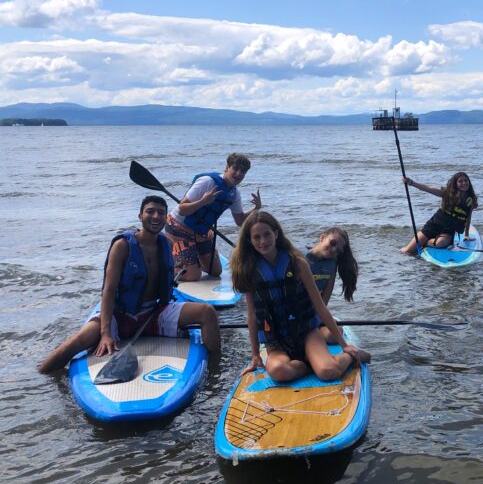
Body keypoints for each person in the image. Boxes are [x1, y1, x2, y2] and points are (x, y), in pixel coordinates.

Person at [39, 195, 220, 374]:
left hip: (153, 312)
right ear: (140, 216)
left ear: (166, 218)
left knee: (207, 313)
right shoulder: (122, 246)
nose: (156, 216)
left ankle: (214, 370)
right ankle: (42, 376)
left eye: (161, 213)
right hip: (119, 315)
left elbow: (170, 271)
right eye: (150, 211)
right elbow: (108, 291)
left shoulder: (166, 243)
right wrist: (105, 333)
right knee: (76, 342)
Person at [231, 211, 370, 383]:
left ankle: (352, 356)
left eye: (267, 234)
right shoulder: (248, 271)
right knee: (278, 372)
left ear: (276, 233)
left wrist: (344, 345)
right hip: (276, 341)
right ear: (249, 241)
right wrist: (255, 355)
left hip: (306, 333)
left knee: (328, 372)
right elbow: (252, 315)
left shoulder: (297, 263)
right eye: (256, 237)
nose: (263, 241)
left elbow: (319, 306)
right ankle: (309, 365)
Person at [165, 153, 262, 282]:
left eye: (243, 172)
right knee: (193, 276)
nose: (238, 174)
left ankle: (191, 255)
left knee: (216, 271)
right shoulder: (207, 182)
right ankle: (166, 264)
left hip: (200, 233)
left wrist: (256, 209)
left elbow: (240, 222)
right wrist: (203, 202)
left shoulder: (234, 194)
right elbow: (182, 209)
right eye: (235, 169)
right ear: (227, 168)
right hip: (178, 228)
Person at [400, 171, 478, 255]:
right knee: (407, 251)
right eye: (460, 181)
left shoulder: (471, 199)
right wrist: (411, 183)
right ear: (455, 184)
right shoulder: (447, 193)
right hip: (433, 225)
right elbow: (428, 188)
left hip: (448, 231)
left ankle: (426, 243)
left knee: (440, 243)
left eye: (466, 180)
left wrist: (466, 234)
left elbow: (468, 216)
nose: (464, 183)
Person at [307, 226, 359, 344]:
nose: (333, 249)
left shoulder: (332, 265)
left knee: (333, 336)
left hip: (315, 313)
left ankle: (315, 334)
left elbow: (324, 299)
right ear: (322, 237)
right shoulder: (300, 258)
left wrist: (320, 318)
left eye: (338, 250)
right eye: (332, 243)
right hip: (295, 312)